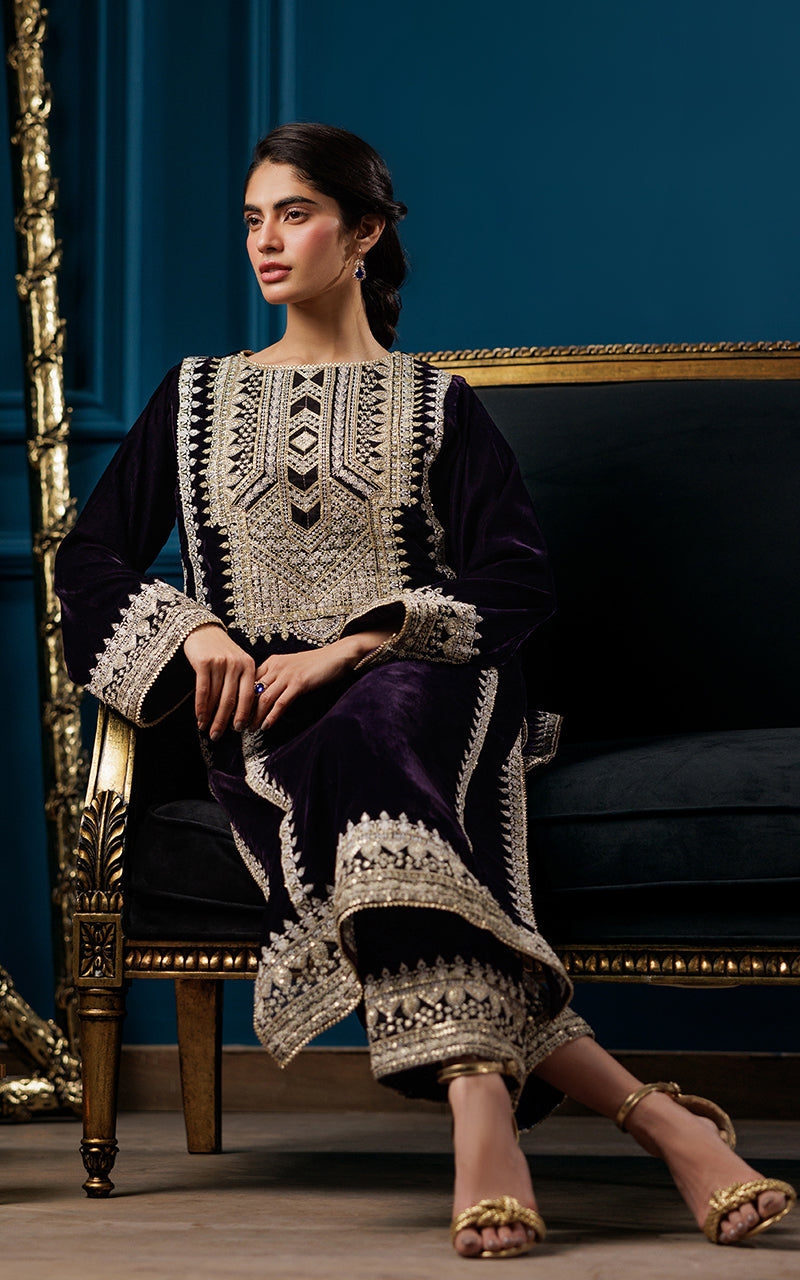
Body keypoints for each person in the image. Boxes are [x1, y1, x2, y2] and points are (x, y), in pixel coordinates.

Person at [55, 122, 795, 1259]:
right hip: (268, 719)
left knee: (375, 728)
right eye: (252, 219)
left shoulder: (436, 402)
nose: (265, 240)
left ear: (363, 234)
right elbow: (89, 560)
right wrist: (192, 627)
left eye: (294, 214)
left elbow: (516, 579)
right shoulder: (194, 397)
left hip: (427, 679)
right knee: (353, 793)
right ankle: (646, 1116)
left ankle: (483, 1116)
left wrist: (360, 642)